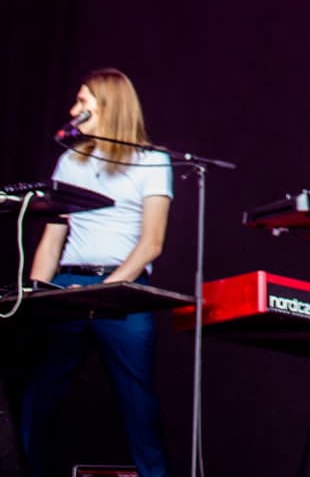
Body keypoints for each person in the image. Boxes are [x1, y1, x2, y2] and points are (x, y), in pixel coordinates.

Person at [22, 67, 172, 476]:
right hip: (68, 287)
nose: (73, 110)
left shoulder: (152, 162)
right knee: (40, 394)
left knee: (138, 402)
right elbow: (52, 239)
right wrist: (37, 294)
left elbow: (151, 242)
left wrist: (106, 290)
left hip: (123, 289)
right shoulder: (69, 161)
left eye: (82, 101)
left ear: (108, 105)